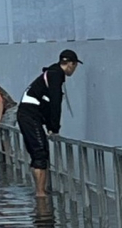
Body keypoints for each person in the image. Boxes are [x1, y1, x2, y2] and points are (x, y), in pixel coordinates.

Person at [17, 50, 82, 198]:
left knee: (40, 152)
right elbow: (55, 103)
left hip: (29, 115)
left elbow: (46, 103)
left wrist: (49, 126)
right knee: (40, 152)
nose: (74, 69)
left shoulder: (52, 72)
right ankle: (40, 194)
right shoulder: (56, 75)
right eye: (75, 66)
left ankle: (41, 191)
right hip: (29, 115)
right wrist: (54, 128)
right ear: (71, 64)